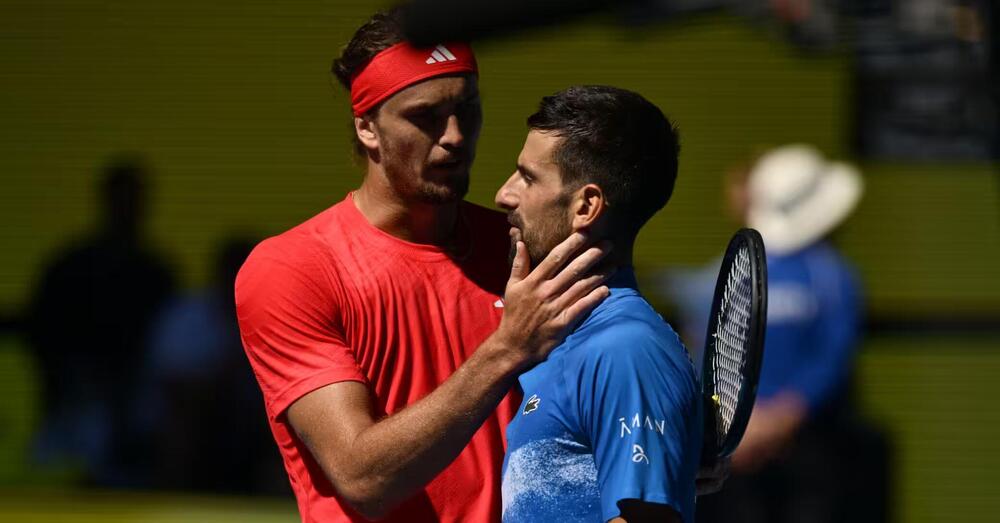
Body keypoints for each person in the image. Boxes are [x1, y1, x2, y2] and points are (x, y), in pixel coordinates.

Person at [235, 9, 612, 523]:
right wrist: (506, 349)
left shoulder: (523, 246)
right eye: (426, 117)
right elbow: (362, 477)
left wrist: (654, 444)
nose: (455, 136)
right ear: (368, 127)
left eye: (466, 110)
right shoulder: (292, 269)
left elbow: (589, 409)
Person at [497, 86, 702, 523]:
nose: (504, 194)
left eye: (528, 177)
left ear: (586, 205)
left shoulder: (626, 349)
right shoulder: (560, 341)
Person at [26, 155, 175, 485]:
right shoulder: (70, 266)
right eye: (121, 199)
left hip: (137, 398)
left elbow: (168, 342)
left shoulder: (156, 271)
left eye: (133, 200)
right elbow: (43, 329)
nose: (128, 208)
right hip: (76, 397)